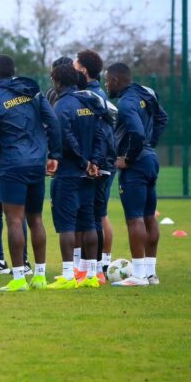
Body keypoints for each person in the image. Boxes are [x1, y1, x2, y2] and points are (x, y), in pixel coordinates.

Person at [0, 54, 61, 292]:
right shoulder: (33, 92)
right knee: (36, 219)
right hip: (37, 162)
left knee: (14, 220)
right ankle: (40, 276)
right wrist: (54, 155)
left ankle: (18, 278)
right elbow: (53, 123)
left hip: (12, 164)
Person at [105, 62, 168, 286]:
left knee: (135, 219)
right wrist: (150, 144)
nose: (106, 85)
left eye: (106, 80)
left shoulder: (126, 103)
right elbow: (162, 118)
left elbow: (137, 134)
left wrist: (128, 158)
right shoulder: (145, 93)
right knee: (149, 216)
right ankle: (151, 274)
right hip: (150, 160)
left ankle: (139, 275)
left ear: (115, 80)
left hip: (136, 164)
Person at [46, 63, 106, 290]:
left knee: (66, 225)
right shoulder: (89, 102)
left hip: (70, 172)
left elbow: (65, 138)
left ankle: (68, 275)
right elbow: (101, 134)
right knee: (89, 221)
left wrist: (83, 161)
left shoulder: (62, 105)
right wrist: (95, 162)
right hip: (89, 173)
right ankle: (91, 275)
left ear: (58, 81)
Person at [74, 49, 117, 281]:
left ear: (82, 69)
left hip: (99, 162)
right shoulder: (92, 92)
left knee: (97, 215)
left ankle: (100, 267)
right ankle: (98, 266)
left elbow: (102, 131)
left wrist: (97, 160)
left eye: (74, 62)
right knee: (96, 215)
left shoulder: (91, 96)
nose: (72, 65)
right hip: (100, 160)